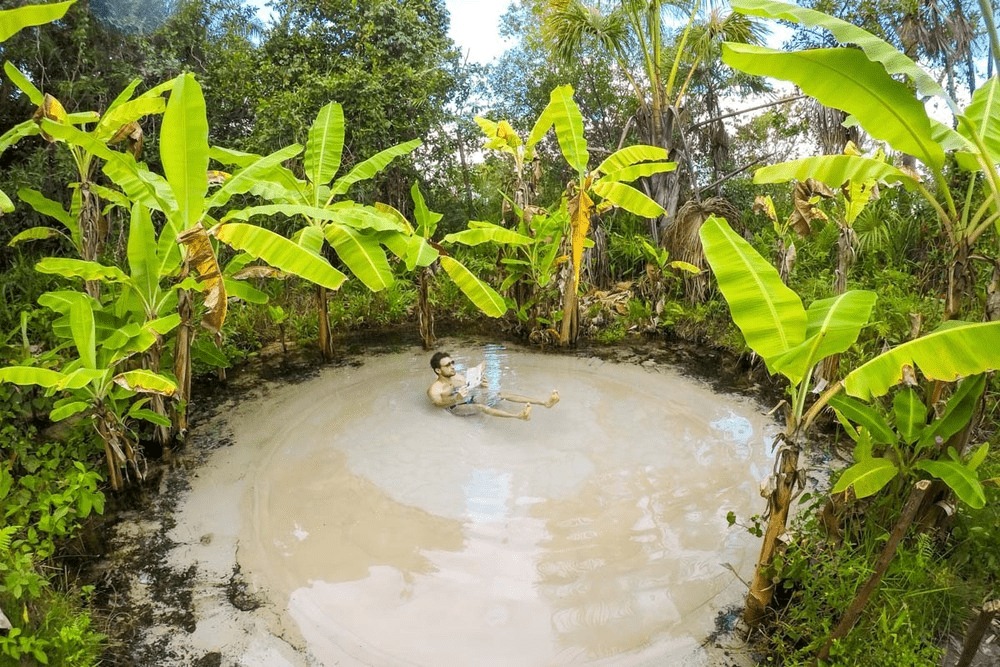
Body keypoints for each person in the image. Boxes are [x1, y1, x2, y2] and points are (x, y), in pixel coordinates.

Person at [427, 351, 559, 420]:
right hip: (454, 407)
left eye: (452, 363)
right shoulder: (435, 389)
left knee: (501, 393)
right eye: (448, 365)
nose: (452, 367)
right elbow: (438, 404)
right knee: (480, 407)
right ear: (438, 370)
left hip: (467, 398)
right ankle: (518, 416)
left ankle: (545, 402)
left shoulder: (458, 377)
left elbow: (470, 388)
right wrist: (456, 398)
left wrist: (482, 385)